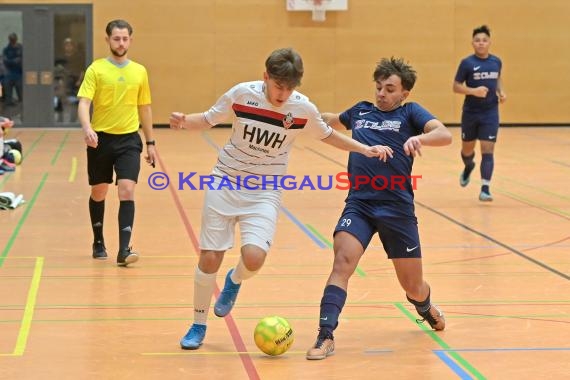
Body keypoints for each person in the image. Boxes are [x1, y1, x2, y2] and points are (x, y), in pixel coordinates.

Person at [169, 47, 388, 350]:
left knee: (254, 257)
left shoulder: (302, 109)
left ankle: (234, 280)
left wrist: (364, 149)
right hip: (225, 181)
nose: (283, 94)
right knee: (209, 258)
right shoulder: (242, 94)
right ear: (265, 77)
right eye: (278, 86)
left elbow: (327, 135)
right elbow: (207, 119)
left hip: (264, 190)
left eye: (290, 88)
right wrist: (183, 121)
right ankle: (198, 324)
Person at [305, 57, 452, 360]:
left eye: (389, 89)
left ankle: (424, 306)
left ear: (404, 93)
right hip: (359, 203)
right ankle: (325, 335)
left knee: (412, 287)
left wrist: (418, 137)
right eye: (379, 87)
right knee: (342, 262)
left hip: (396, 208)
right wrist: (304, 112)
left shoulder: (411, 112)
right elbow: (331, 119)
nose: (382, 94)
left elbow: (444, 134)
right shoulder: (360, 111)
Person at [77, 19, 155, 266]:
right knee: (99, 191)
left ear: (130, 40)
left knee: (127, 189)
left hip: (129, 140)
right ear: (108, 40)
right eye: (116, 38)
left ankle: (124, 250)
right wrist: (87, 128)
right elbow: (84, 102)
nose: (121, 43)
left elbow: (145, 107)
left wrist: (150, 142)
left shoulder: (139, 71)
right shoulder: (96, 69)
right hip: (101, 139)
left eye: (125, 39)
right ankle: (98, 240)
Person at [453, 25, 506, 202]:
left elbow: (497, 80)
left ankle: (485, 188)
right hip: (471, 112)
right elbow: (456, 86)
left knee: (487, 149)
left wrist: (501, 92)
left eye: (484, 40)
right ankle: (468, 167)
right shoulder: (467, 63)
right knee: (467, 150)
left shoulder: (496, 61)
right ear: (472, 43)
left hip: (490, 112)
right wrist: (473, 91)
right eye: (478, 40)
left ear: (489, 42)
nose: (481, 43)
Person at [54, 37, 85, 122]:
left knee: (74, 102)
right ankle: (60, 120)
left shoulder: (78, 57)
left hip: (75, 82)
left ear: (73, 46)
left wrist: (79, 80)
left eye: (70, 45)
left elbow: (82, 70)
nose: (68, 47)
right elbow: (56, 70)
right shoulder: (60, 57)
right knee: (61, 101)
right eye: (66, 45)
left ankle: (73, 120)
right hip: (64, 82)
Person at [2, 33, 23, 106]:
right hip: (9, 74)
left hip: (19, 74)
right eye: (11, 39)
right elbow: (5, 61)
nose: (12, 40)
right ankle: (9, 105)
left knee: (21, 94)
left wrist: (12, 61)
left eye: (13, 39)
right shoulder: (6, 49)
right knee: (7, 94)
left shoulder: (21, 48)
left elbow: (21, 60)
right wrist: (14, 61)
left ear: (16, 39)